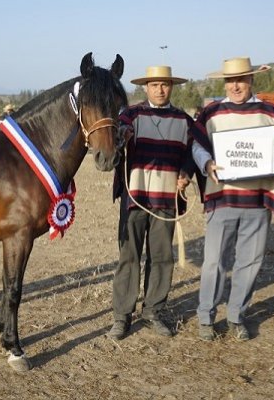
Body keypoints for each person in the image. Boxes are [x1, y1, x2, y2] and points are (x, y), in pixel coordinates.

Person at [192, 57, 274, 341]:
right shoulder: (211, 113)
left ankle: (236, 316)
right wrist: (207, 164)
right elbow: (197, 146)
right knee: (214, 261)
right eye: (231, 80)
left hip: (258, 199)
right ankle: (206, 317)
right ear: (224, 83)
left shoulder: (270, 112)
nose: (236, 85)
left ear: (251, 80)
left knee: (250, 261)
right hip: (222, 197)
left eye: (241, 79)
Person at [107, 65, 196, 340]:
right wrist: (122, 137)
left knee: (161, 257)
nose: (160, 89)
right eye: (155, 84)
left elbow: (194, 152)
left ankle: (153, 311)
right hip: (135, 197)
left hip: (166, 199)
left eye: (165, 84)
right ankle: (122, 316)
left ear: (171, 87)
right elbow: (114, 139)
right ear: (146, 87)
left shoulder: (183, 120)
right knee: (129, 257)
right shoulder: (130, 115)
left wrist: (187, 171)